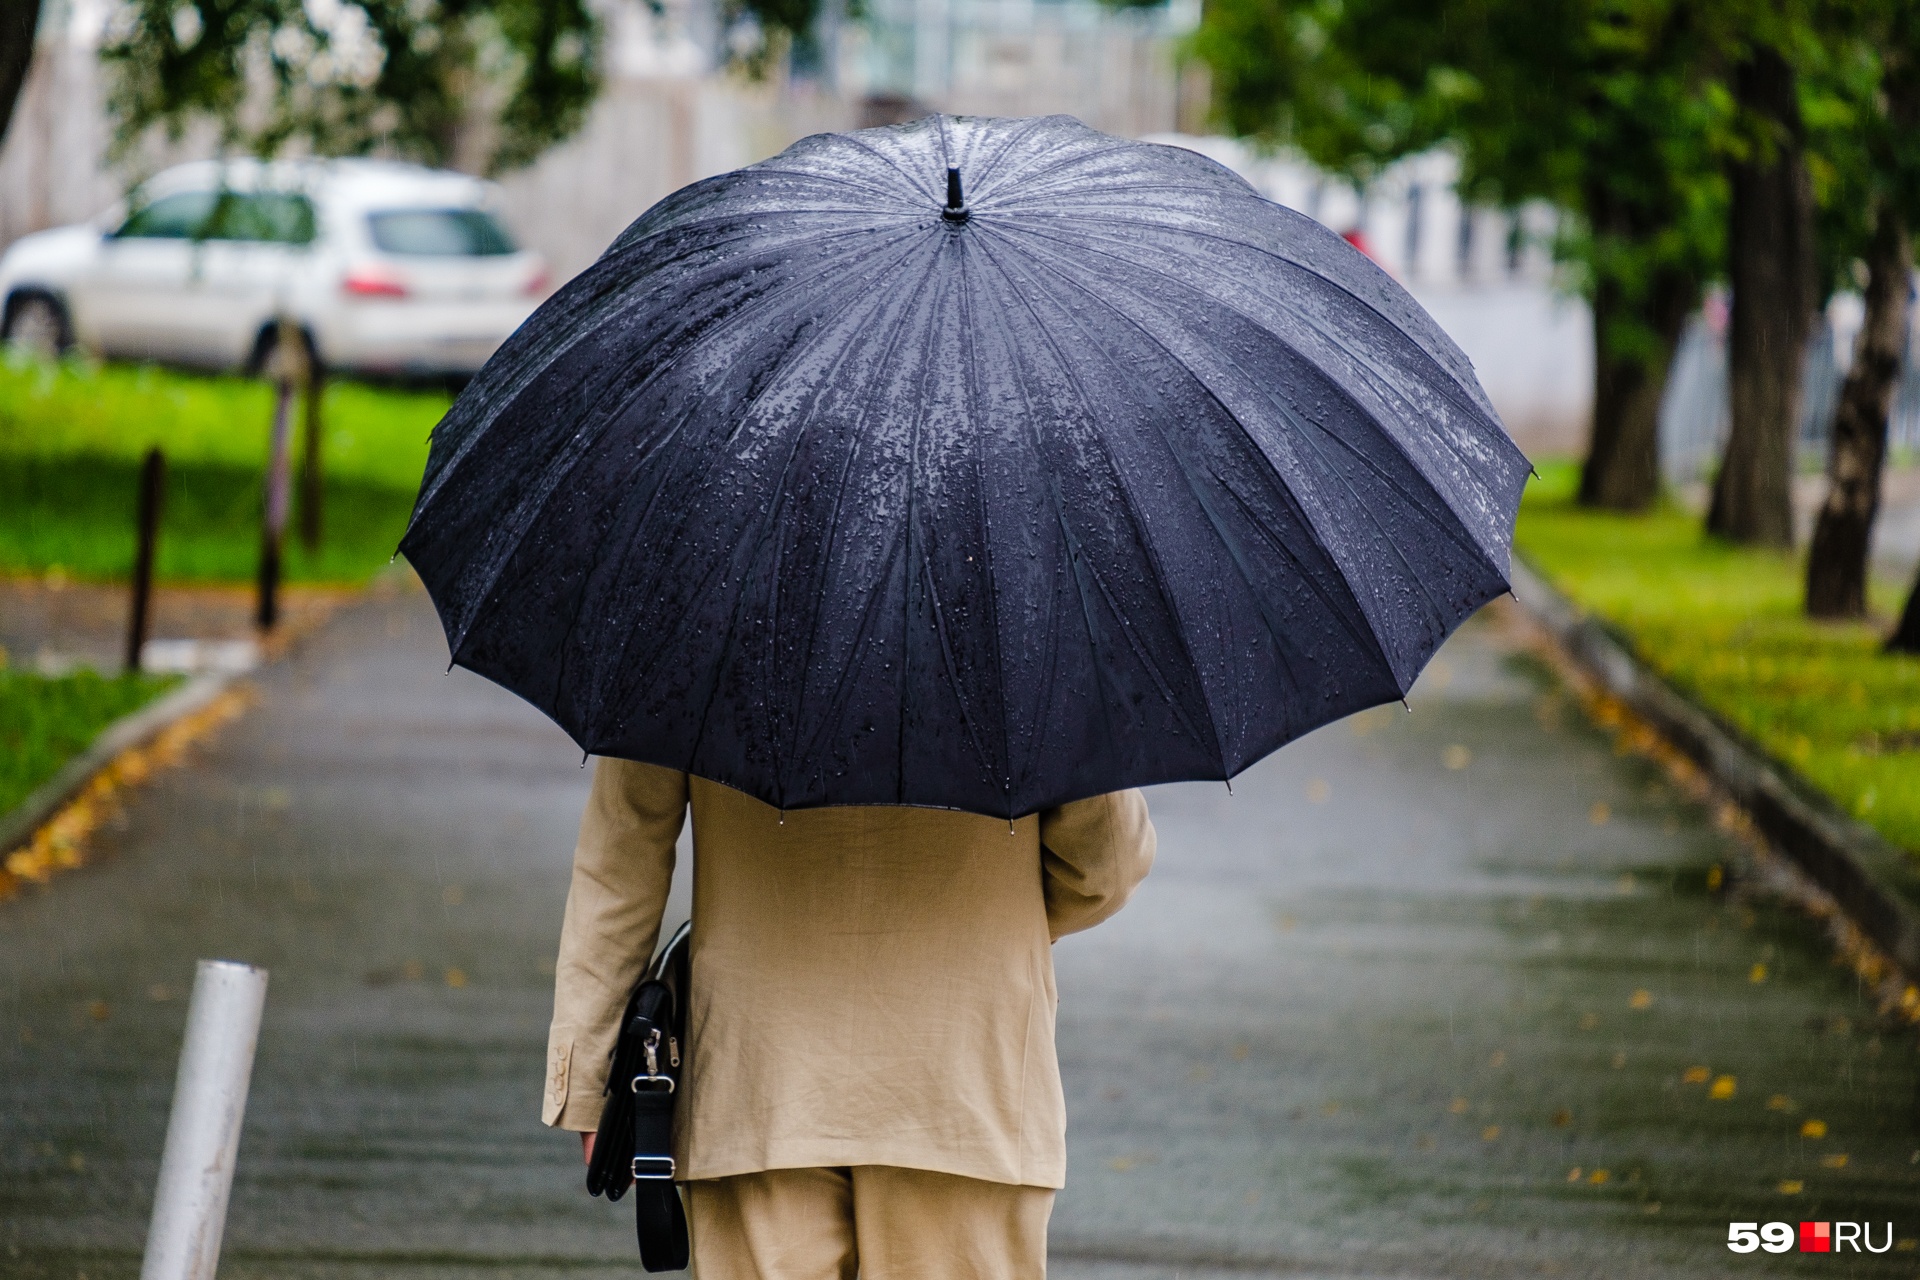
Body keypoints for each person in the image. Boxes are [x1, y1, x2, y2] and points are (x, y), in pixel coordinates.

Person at [544, 758, 1156, 1278]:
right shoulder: (1031, 627)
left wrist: (591, 1083)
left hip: (758, 1080)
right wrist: (991, 928)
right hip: (967, 1081)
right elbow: (1105, 860)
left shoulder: (692, 622)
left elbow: (623, 851)